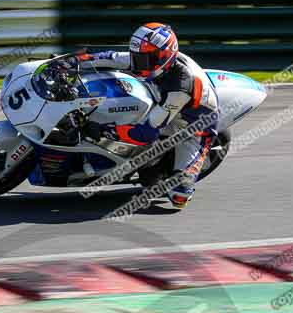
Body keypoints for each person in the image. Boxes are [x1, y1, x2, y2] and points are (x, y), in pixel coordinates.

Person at [67, 23, 219, 209]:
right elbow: (110, 57)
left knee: (179, 197)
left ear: (165, 56)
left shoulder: (179, 88)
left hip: (193, 125)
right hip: (162, 103)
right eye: (138, 57)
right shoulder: (149, 60)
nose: (139, 63)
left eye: (146, 59)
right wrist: (73, 61)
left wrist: (102, 130)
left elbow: (147, 132)